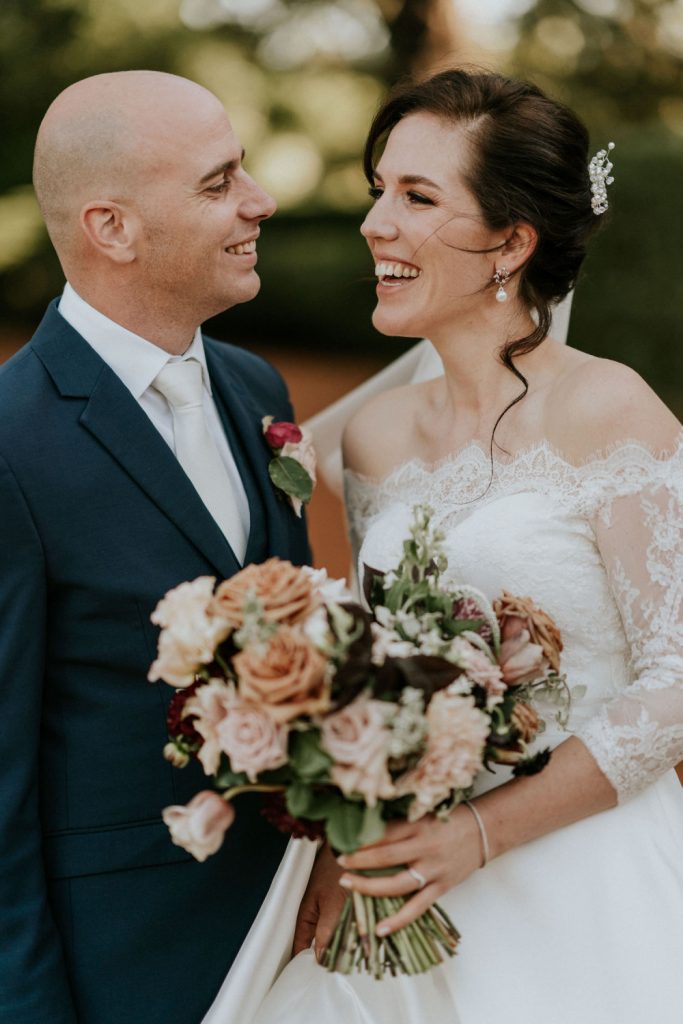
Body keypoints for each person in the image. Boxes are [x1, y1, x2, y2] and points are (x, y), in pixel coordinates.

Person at [214, 69, 683, 1024]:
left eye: (417, 197)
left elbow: (676, 681)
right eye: (378, 189)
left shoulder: (609, 409)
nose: (375, 223)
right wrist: (350, 835)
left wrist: (479, 832)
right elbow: (377, 672)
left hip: (578, 880)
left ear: (511, 242)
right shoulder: (374, 436)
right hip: (400, 885)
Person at [0, 71, 311, 1024]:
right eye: (218, 184)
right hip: (126, 970)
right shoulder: (12, 443)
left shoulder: (257, 389)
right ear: (113, 229)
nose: (259, 202)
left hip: (301, 941)